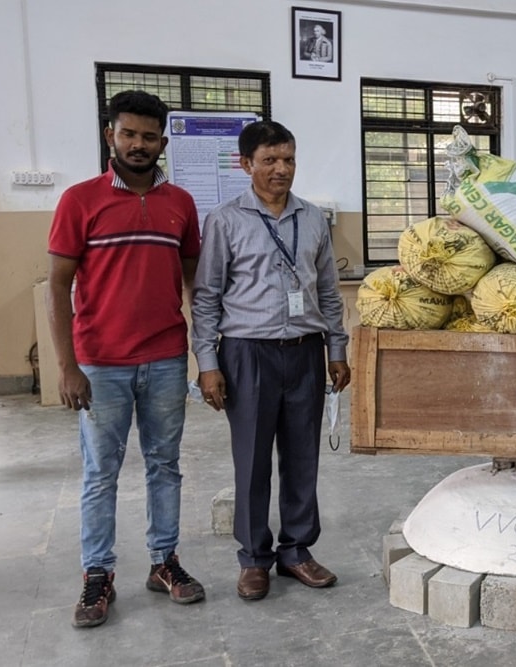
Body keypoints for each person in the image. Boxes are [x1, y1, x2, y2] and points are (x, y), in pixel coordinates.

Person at [47, 90, 205, 629]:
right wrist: (68, 366)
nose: (139, 145)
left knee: (165, 465)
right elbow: (57, 287)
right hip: (101, 364)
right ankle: (98, 573)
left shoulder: (180, 203)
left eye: (149, 136)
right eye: (128, 134)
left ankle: (165, 562)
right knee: (100, 472)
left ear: (163, 141)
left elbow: (192, 282)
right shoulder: (79, 200)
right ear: (109, 135)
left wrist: (203, 349)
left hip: (164, 358)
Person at [192, 120, 350, 601]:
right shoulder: (225, 219)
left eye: (288, 160)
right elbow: (206, 297)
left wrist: (336, 348)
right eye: (269, 161)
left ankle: (297, 551)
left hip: (304, 353)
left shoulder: (313, 219)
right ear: (246, 165)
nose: (281, 170)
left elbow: (327, 290)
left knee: (303, 458)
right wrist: (207, 362)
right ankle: (254, 558)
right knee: (253, 461)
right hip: (247, 354)